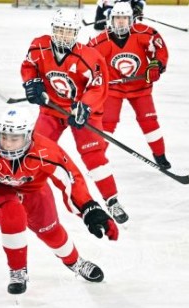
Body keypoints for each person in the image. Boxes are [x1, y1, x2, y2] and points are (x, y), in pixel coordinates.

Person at [0, 108, 119, 295]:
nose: (7, 144)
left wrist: (89, 209)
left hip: (34, 190)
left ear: (28, 136)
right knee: (13, 215)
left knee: (50, 231)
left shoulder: (46, 151)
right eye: (3, 137)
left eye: (14, 138)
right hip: (1, 191)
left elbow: (71, 180)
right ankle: (17, 270)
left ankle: (75, 261)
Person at [21, 9, 129, 224]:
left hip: (83, 112)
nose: (63, 36)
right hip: (51, 110)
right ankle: (23, 190)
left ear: (76, 33)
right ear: (53, 30)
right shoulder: (38, 46)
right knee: (35, 150)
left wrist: (84, 107)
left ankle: (111, 199)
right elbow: (29, 66)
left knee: (94, 156)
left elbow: (98, 87)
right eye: (60, 30)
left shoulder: (89, 57)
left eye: (69, 32)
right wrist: (31, 83)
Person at [89, 2, 171, 169]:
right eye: (117, 18)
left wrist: (156, 64)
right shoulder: (100, 42)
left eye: (125, 18)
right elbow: (87, 62)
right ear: (110, 19)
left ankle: (160, 155)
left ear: (131, 19)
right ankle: (97, 162)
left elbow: (159, 50)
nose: (121, 22)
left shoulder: (144, 33)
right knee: (107, 123)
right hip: (113, 89)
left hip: (140, 88)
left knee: (149, 121)